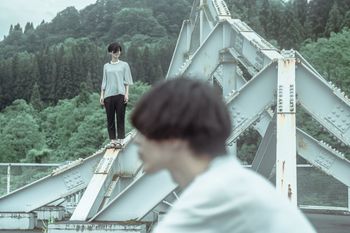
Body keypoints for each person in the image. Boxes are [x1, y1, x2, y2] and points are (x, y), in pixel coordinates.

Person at [131, 78, 316, 233]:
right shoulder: (230, 182)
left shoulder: (216, 193)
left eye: (142, 130)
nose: (136, 141)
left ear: (174, 137)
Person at [100, 42, 133, 149]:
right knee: (110, 119)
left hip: (120, 94)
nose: (117, 53)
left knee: (120, 118)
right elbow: (104, 82)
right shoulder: (106, 66)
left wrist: (126, 94)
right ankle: (113, 141)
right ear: (110, 52)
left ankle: (121, 140)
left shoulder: (124, 65)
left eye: (119, 51)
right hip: (108, 96)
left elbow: (127, 81)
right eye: (115, 51)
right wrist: (102, 95)